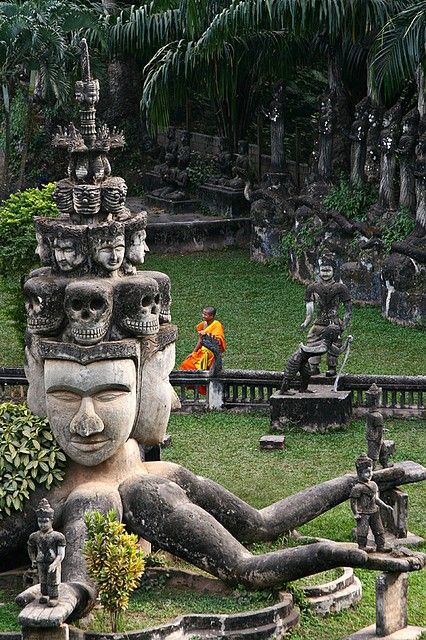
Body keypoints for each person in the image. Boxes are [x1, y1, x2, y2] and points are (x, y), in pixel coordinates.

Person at [302, 254, 352, 376]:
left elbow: (348, 309)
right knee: (312, 341)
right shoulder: (313, 287)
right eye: (323, 270)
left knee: (334, 344)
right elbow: (309, 308)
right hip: (318, 322)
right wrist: (306, 321)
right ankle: (314, 366)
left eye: (328, 270)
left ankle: (332, 367)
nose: (325, 274)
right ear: (319, 271)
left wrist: (344, 323)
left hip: (333, 322)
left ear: (334, 271)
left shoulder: (340, 288)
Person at [350, 453, 393, 552]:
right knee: (363, 531)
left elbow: (376, 499)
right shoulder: (357, 488)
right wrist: (355, 513)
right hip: (363, 513)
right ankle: (362, 546)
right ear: (359, 473)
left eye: (370, 472)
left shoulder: (373, 484)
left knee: (379, 530)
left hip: (374, 511)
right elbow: (353, 502)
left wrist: (385, 506)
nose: (369, 475)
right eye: (366, 472)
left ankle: (381, 546)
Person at [27, 498, 66, 607]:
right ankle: (45, 595)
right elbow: (30, 547)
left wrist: (55, 563)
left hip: (52, 561)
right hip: (40, 561)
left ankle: (54, 596)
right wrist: (33, 559)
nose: (42, 524)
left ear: (51, 520)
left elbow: (61, 553)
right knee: (42, 579)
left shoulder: (58, 536)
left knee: (53, 580)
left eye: (45, 521)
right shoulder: (34, 536)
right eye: (40, 521)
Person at [179, 307, 226, 393]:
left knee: (209, 373)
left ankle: (202, 386)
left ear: (211, 316)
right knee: (186, 365)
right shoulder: (204, 324)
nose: (203, 316)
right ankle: (194, 385)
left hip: (211, 353)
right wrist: (194, 352)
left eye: (205, 314)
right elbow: (200, 341)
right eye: (203, 313)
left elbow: (219, 341)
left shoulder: (217, 325)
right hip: (202, 351)